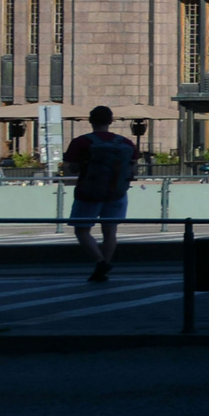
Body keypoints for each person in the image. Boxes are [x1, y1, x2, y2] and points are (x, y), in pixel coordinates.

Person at [62, 105, 136, 283]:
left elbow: (70, 169)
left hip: (88, 192)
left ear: (90, 120)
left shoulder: (81, 142)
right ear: (111, 121)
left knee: (82, 230)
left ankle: (100, 261)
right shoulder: (125, 143)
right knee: (110, 232)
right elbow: (132, 170)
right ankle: (104, 267)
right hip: (117, 193)